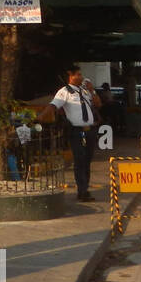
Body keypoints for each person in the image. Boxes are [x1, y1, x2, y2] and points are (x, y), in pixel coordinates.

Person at [39, 65, 102, 202]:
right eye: (78, 75)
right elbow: (53, 105)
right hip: (76, 131)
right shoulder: (64, 92)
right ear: (70, 76)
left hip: (90, 130)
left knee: (87, 161)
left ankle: (85, 188)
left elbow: (98, 105)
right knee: (79, 160)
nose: (81, 77)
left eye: (81, 74)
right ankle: (82, 191)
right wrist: (39, 118)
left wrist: (92, 91)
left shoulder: (85, 90)